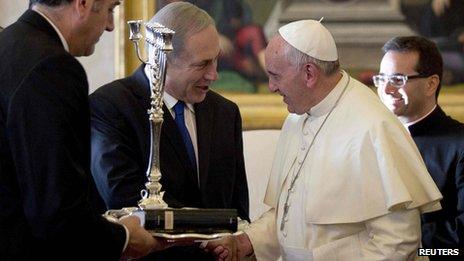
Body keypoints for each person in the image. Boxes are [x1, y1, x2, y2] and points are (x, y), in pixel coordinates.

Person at [205, 19, 443, 260]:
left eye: (275, 76)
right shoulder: (297, 118)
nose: (271, 87)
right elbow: (288, 214)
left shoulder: (371, 126)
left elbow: (398, 242)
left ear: (309, 73)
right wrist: (247, 241)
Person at [0, 0, 169, 260]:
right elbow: (56, 213)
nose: (112, 26)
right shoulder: (53, 68)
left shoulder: (9, 43)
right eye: (111, 9)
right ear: (83, 3)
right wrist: (124, 238)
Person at [90, 2, 249, 260]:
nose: (214, 74)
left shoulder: (225, 113)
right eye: (202, 64)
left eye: (217, 60)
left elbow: (238, 208)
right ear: (162, 58)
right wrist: (205, 237)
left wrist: (235, 239)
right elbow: (125, 198)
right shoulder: (110, 107)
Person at [375, 36, 464, 255]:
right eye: (381, 79)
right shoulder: (371, 139)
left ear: (431, 84)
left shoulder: (460, 144)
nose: (386, 89)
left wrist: (398, 240)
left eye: (397, 79)